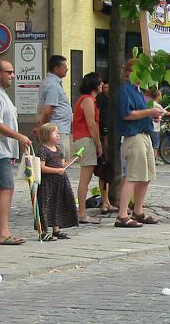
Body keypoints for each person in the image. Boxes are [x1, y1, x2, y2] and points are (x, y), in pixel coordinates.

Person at [0, 60, 32, 245]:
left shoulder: (1, 94)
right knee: (6, 188)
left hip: (2, 149)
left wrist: (13, 150)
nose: (13, 76)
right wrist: (20, 137)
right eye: (9, 72)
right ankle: (4, 233)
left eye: (12, 72)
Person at [115, 58, 163, 228]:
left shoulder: (138, 91)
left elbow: (141, 113)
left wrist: (152, 115)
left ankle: (138, 210)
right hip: (133, 136)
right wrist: (149, 112)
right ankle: (122, 215)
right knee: (133, 176)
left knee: (146, 176)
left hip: (145, 134)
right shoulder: (125, 90)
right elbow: (127, 114)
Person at [71, 72, 105, 224]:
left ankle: (82, 212)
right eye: (100, 83)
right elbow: (91, 124)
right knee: (85, 178)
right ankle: (82, 213)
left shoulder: (85, 99)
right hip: (86, 139)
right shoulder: (88, 100)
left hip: (82, 139)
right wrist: (98, 144)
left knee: (85, 178)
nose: (102, 85)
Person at [36, 123, 79, 240]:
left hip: (59, 182)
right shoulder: (43, 150)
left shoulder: (58, 150)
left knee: (58, 204)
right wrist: (57, 171)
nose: (58, 135)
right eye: (55, 133)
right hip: (47, 183)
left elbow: (63, 165)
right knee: (46, 205)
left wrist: (74, 158)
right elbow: (41, 167)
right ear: (47, 135)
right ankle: (44, 231)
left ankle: (56, 229)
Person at [35, 55, 72, 159]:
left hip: (60, 128)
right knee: (58, 162)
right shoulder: (53, 85)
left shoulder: (52, 83)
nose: (67, 69)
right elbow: (47, 111)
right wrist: (41, 128)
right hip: (57, 129)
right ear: (56, 69)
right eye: (64, 67)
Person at [94, 81, 118, 215]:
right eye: (104, 87)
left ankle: (110, 201)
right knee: (104, 169)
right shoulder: (100, 101)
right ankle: (105, 200)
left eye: (108, 87)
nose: (106, 89)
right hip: (104, 136)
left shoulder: (114, 101)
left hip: (115, 136)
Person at [147, 88, 166, 163]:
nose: (161, 96)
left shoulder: (149, 103)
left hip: (150, 126)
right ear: (158, 96)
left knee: (152, 143)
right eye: (160, 95)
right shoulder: (157, 105)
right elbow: (165, 112)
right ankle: (155, 159)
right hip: (155, 127)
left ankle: (156, 156)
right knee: (156, 144)